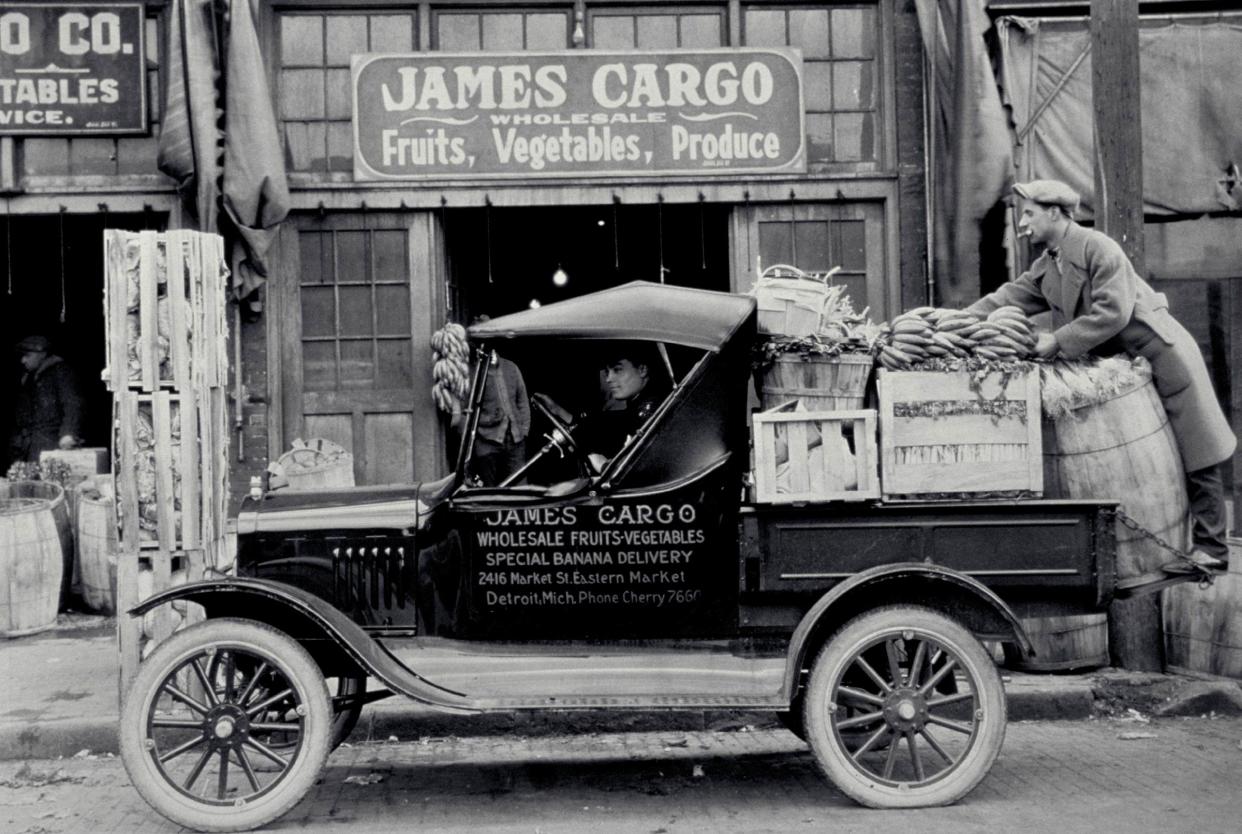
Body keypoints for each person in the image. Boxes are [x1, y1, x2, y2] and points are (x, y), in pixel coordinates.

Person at [967, 180, 1237, 571]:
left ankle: (1213, 550)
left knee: (1197, 448)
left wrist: (1057, 341)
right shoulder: (1050, 264)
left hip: (1162, 352)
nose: (1022, 223)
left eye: (1029, 213)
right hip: (1129, 365)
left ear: (1055, 213)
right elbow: (1007, 297)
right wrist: (955, 320)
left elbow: (1113, 313)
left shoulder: (1099, 249)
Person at [535, 344, 667, 473]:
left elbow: (640, 470)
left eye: (617, 370)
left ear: (642, 370)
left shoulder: (650, 409)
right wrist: (558, 411)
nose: (609, 379)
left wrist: (603, 466)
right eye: (607, 372)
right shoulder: (637, 405)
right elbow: (605, 426)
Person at [465, 317, 530, 486]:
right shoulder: (471, 373)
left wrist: (524, 430)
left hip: (515, 440)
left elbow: (522, 401)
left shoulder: (511, 368)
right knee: (489, 489)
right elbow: (468, 408)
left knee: (520, 488)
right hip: (487, 442)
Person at [9, 335, 83, 464]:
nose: (23, 360)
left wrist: (68, 433)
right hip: (28, 446)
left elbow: (72, 403)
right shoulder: (28, 378)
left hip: (51, 444)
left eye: (27, 355)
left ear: (42, 354)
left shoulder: (60, 372)